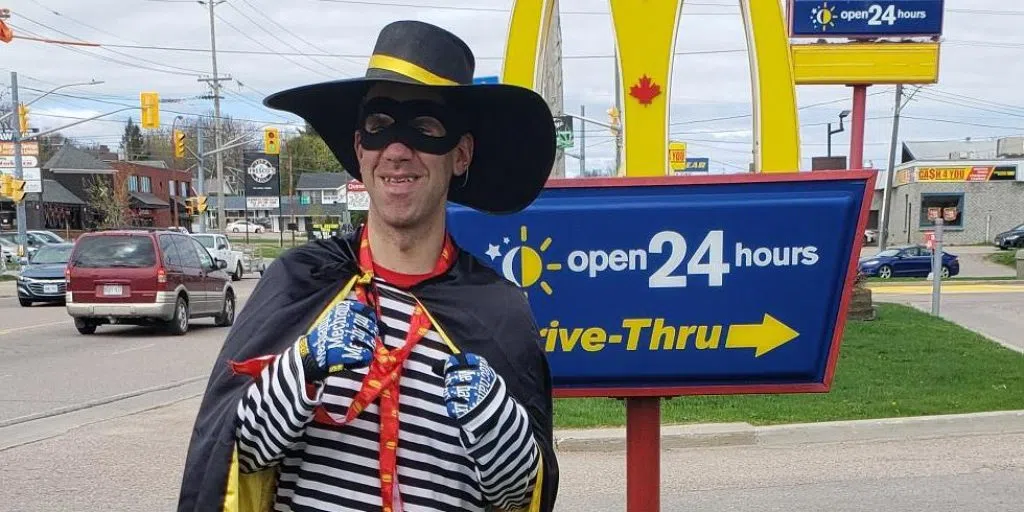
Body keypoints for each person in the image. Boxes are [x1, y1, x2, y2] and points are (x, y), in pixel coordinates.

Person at [177, 20, 559, 512]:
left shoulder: (497, 311)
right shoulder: (300, 282)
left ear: (461, 155)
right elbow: (234, 458)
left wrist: (500, 432)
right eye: (380, 127)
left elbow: (519, 498)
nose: (397, 151)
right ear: (360, 149)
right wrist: (301, 368)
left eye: (425, 128)